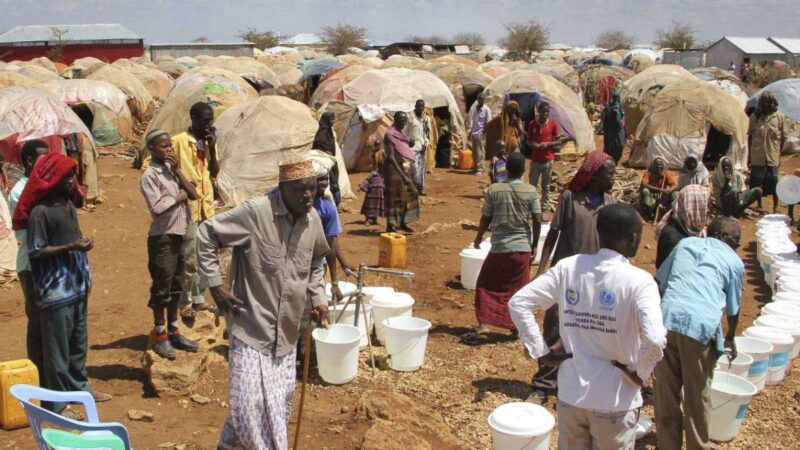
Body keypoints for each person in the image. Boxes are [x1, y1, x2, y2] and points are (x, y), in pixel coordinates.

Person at [196, 157, 330, 450]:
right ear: (283, 188)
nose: (309, 196)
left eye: (312, 189)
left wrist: (318, 296)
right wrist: (216, 285)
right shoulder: (256, 213)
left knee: (273, 409)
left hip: (287, 335)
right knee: (249, 407)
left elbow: (317, 261)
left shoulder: (313, 220)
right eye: (301, 190)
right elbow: (206, 233)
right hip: (251, 329)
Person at [509, 204, 667, 449]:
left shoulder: (569, 268)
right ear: (633, 238)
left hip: (571, 393)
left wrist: (542, 351)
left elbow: (519, 302)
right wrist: (640, 373)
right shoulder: (640, 282)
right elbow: (655, 339)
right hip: (615, 400)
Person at [12, 152, 111, 418]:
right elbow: (36, 252)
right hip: (55, 292)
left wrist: (79, 248)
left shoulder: (67, 204)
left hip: (76, 285)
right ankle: (57, 405)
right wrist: (72, 247)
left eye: (71, 174)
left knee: (78, 343)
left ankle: (79, 388)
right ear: (52, 179)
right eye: (66, 176)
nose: (71, 180)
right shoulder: (40, 213)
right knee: (57, 350)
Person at [531, 151, 617, 403]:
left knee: (589, 333)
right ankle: (543, 384)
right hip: (566, 278)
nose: (613, 177)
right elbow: (554, 234)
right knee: (556, 329)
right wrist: (541, 270)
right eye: (609, 172)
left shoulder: (610, 204)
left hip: (596, 281)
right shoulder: (570, 198)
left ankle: (576, 389)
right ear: (594, 174)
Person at [654, 217, 744, 450]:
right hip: (699, 330)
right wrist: (731, 337)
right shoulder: (734, 262)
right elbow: (733, 310)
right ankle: (698, 446)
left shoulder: (685, 245)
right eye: (737, 242)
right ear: (726, 238)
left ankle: (668, 445)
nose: (737, 247)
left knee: (666, 393)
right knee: (697, 398)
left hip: (666, 322)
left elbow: (659, 281)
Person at [463, 153, 542, 345]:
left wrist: (479, 236)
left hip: (499, 246)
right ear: (524, 170)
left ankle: (484, 323)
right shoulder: (530, 191)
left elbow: (486, 217)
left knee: (486, 285)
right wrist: (533, 245)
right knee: (518, 289)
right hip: (521, 247)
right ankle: (515, 328)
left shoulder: (494, 190)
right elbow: (538, 219)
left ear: (506, 169)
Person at [140, 130, 201, 360]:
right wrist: (180, 196)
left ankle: (174, 329)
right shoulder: (150, 176)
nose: (168, 150)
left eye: (170, 146)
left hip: (182, 232)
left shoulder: (172, 171)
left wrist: (178, 173)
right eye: (163, 147)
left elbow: (194, 194)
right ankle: (160, 333)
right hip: (163, 237)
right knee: (162, 287)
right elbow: (157, 207)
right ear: (152, 150)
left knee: (178, 283)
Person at [158, 101, 219, 322]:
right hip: (188, 208)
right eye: (205, 119)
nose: (209, 124)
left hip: (206, 207)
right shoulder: (177, 142)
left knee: (205, 255)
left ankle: (198, 297)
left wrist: (212, 147)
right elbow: (152, 166)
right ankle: (184, 302)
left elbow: (214, 173)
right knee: (189, 258)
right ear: (193, 118)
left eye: (211, 119)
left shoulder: (209, 142)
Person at [8, 140, 49, 374]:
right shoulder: (20, 191)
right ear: (30, 161)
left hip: (47, 263)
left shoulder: (43, 185)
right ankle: (39, 375)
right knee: (37, 323)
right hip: (31, 265)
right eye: (43, 158)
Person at [312, 159, 353, 302]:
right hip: (293, 263)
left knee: (314, 306)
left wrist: (335, 280)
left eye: (325, 179)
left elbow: (331, 241)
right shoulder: (294, 203)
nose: (324, 183)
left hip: (316, 264)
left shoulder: (327, 207)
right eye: (319, 179)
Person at [654, 185, 711, 269]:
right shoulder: (673, 238)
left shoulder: (692, 227)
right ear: (693, 206)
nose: (709, 210)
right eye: (707, 205)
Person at [748, 92, 787, 214]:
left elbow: (783, 138)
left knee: (774, 180)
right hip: (757, 156)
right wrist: (749, 156)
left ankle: (776, 207)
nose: (765, 105)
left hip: (772, 155)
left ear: (772, 103)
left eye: (767, 102)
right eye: (762, 102)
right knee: (757, 181)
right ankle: (759, 205)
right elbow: (750, 137)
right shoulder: (755, 117)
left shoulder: (779, 117)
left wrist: (778, 154)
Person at [382, 111, 420, 234]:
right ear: (395, 119)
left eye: (405, 120)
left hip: (405, 167)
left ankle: (402, 223)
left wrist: (410, 141)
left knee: (407, 195)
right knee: (395, 198)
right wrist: (404, 176)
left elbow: (406, 142)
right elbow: (391, 157)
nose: (404, 122)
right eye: (402, 120)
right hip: (395, 169)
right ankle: (392, 225)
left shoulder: (399, 133)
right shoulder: (389, 134)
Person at [528, 102, 565, 211]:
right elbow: (528, 140)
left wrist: (547, 144)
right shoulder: (532, 124)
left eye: (548, 112)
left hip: (548, 160)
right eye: (544, 111)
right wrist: (532, 144)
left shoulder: (553, 124)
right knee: (532, 186)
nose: (546, 114)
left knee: (546, 186)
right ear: (538, 111)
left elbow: (559, 141)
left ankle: (543, 208)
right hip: (535, 160)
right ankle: (531, 208)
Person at [403, 99, 434, 194]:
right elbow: (405, 132)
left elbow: (428, 134)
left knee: (422, 169)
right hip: (412, 147)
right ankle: (412, 187)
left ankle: (419, 188)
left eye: (422, 107)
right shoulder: (410, 118)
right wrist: (408, 141)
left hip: (422, 147)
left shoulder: (426, 119)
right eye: (419, 106)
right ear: (415, 106)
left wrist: (426, 144)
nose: (420, 108)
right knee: (414, 168)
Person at [312, 111, 342, 205]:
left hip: (330, 160)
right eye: (331, 119)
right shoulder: (323, 131)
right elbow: (319, 143)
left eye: (333, 119)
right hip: (324, 160)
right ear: (326, 119)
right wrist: (327, 152)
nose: (333, 121)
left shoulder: (328, 130)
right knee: (331, 182)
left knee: (334, 180)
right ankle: (332, 203)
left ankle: (334, 202)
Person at [467, 92, 492, 174]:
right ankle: (475, 167)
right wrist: (471, 132)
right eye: (479, 99)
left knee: (480, 151)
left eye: (482, 100)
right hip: (474, 132)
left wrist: (483, 132)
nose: (481, 101)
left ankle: (480, 169)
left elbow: (488, 123)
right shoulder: (475, 109)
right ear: (477, 100)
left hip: (480, 132)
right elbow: (474, 121)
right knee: (475, 151)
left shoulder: (486, 109)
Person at [359, 159, 385, 226]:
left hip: (379, 195)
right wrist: (362, 186)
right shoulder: (373, 174)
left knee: (376, 208)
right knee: (369, 207)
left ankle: (375, 220)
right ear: (379, 166)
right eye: (382, 166)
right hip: (371, 194)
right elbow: (367, 180)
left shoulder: (385, 175)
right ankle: (367, 220)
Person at [602, 91, 626, 163]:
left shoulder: (621, 106)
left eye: (617, 98)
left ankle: (615, 160)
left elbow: (623, 118)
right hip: (610, 130)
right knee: (610, 146)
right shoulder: (608, 107)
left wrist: (624, 128)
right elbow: (604, 118)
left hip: (619, 130)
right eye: (615, 97)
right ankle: (608, 160)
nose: (616, 99)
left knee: (620, 145)